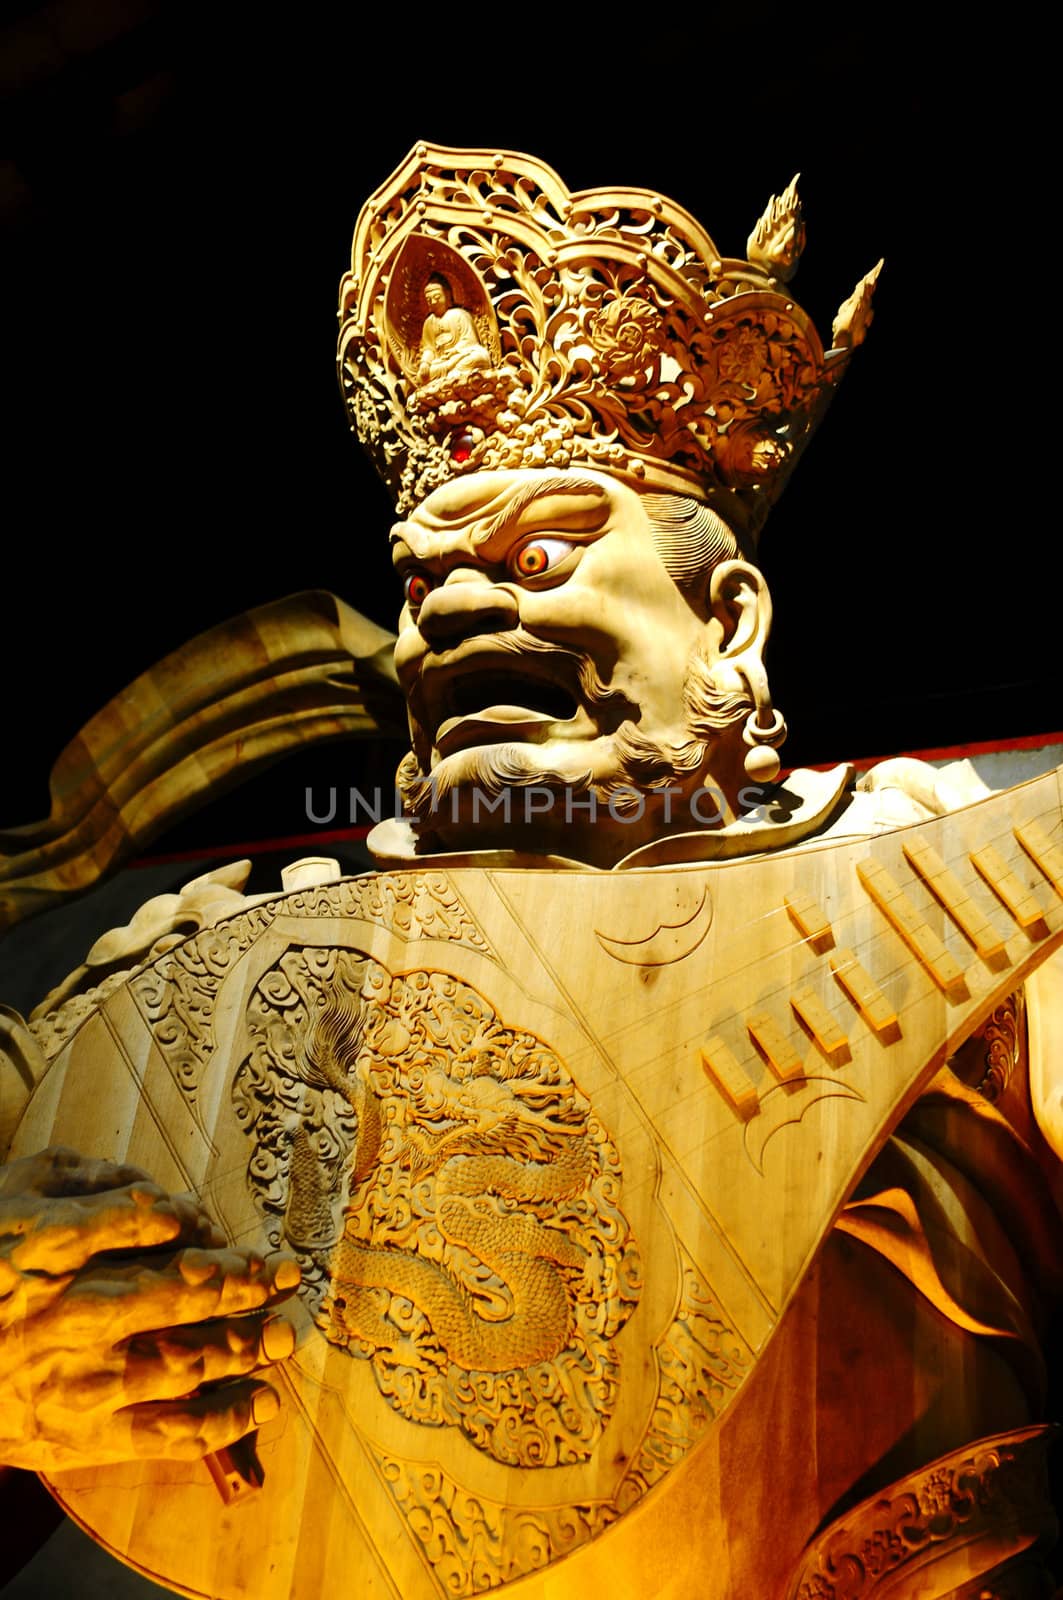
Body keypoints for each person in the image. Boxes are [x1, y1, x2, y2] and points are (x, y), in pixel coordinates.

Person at [1, 143, 1061, 1599]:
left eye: (548, 553)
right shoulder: (216, 966)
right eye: (428, 585)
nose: (466, 610)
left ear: (729, 627)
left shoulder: (954, 877)